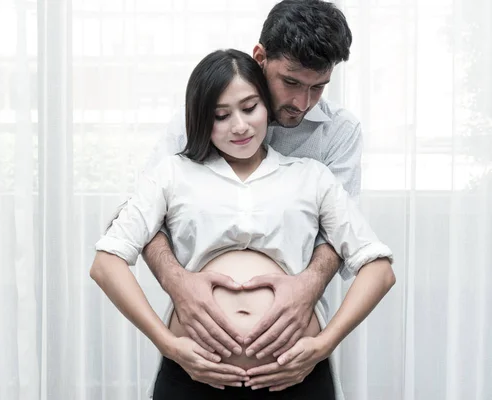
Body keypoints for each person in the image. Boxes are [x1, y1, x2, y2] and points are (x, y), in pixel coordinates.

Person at [91, 49, 395, 400]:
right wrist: (169, 344)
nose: (239, 126)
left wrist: (325, 344)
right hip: (195, 373)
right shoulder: (172, 174)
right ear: (201, 119)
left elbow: (378, 269)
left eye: (250, 108)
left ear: (266, 105)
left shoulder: (311, 177)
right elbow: (106, 262)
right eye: (221, 115)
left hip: (294, 374)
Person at [140, 0, 361, 389]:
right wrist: (177, 282)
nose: (302, 103)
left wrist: (308, 287)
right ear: (260, 57)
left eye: (318, 87)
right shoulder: (205, 117)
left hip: (292, 359)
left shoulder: (337, 133)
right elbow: (142, 219)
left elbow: (342, 238)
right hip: (199, 356)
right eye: (290, 82)